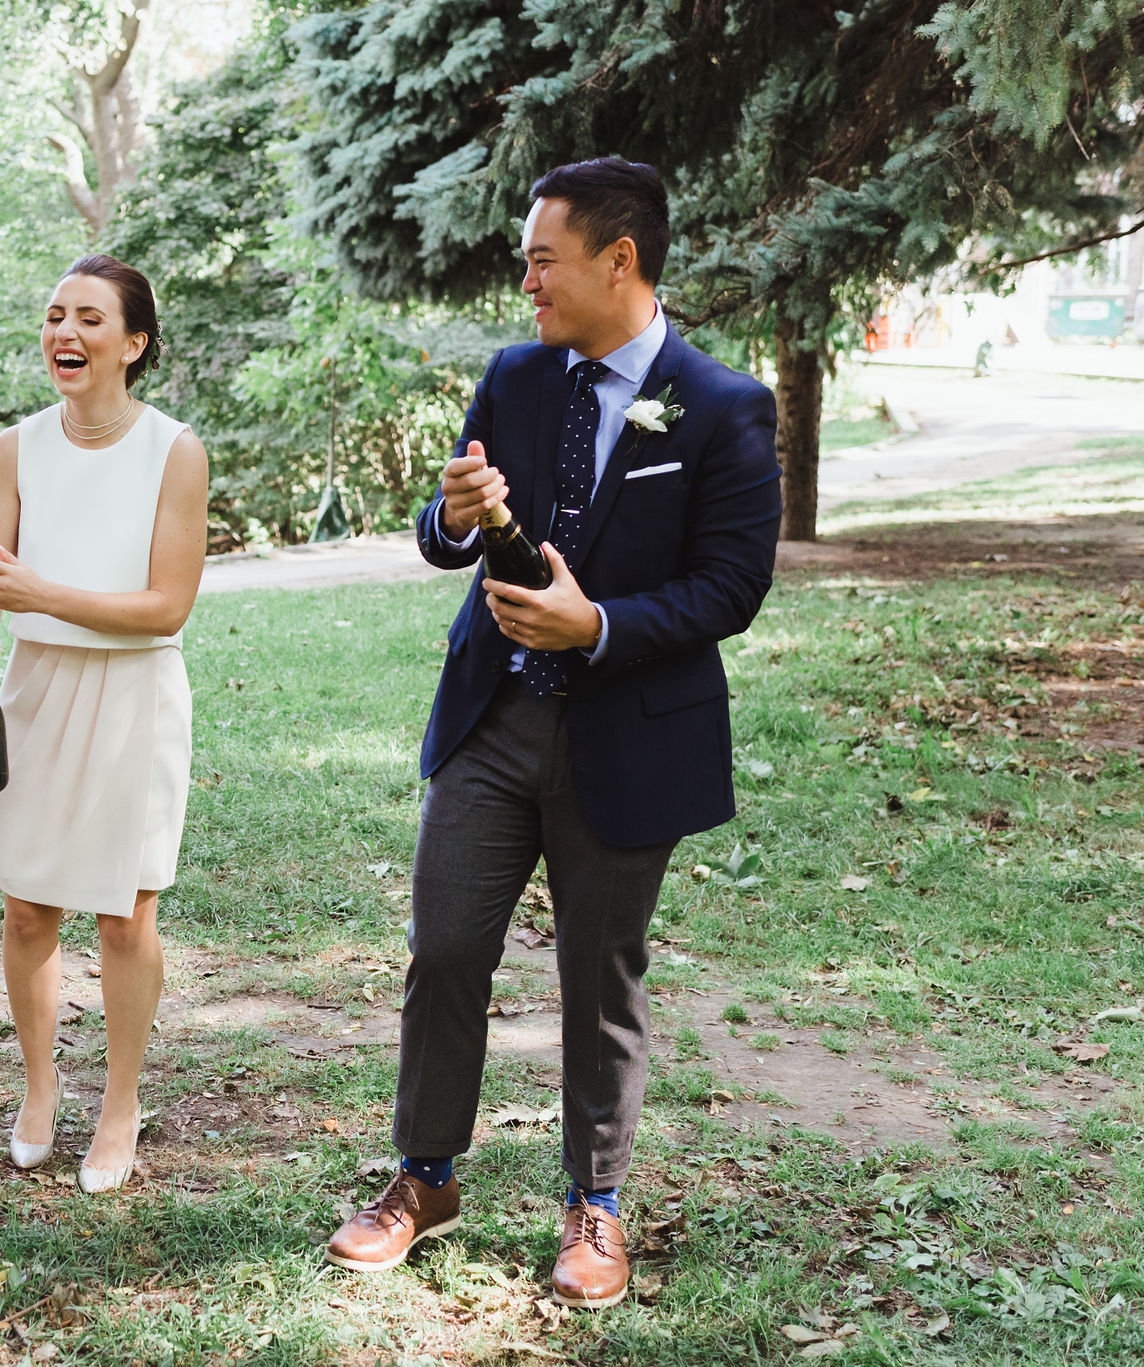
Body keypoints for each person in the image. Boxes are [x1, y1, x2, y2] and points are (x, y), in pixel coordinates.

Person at [323, 159, 781, 1307]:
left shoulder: (721, 405)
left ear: (615, 261)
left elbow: (729, 588)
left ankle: (595, 1204)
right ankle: (423, 1175)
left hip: (628, 734)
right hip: (493, 716)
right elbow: (445, 533)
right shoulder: (516, 379)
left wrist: (599, 624)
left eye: (541, 257)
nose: (523, 278)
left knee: (599, 973)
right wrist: (450, 514)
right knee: (444, 949)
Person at [0, 254, 207, 1193]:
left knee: (126, 913)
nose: (66, 333)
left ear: (133, 344)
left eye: (90, 319)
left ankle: (121, 1103)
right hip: (34, 688)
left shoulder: (173, 449)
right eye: (56, 315)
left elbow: (166, 605)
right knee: (26, 903)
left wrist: (39, 592)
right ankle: (41, 1086)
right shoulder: (16, 447)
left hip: (135, 690)